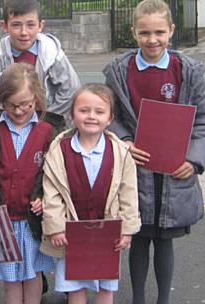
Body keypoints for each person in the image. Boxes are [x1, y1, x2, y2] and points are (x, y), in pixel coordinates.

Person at [103, 0, 205, 304]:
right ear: (133, 32)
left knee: (164, 242)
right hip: (135, 169)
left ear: (171, 31)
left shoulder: (187, 70)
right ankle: (138, 299)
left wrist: (194, 159)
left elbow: (203, 118)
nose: (152, 40)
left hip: (173, 172)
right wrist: (124, 141)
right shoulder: (119, 71)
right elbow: (108, 115)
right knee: (138, 239)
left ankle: (163, 299)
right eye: (144, 33)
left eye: (159, 32)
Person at [41, 83, 141, 304]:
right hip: (71, 232)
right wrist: (56, 227)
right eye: (84, 110)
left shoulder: (121, 153)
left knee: (106, 287)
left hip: (108, 231)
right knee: (75, 287)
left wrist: (127, 229)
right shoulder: (59, 150)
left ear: (110, 118)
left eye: (99, 111)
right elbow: (52, 193)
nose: (91, 116)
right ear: (72, 115)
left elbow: (129, 194)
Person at [0, 63, 64, 304]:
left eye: (25, 104)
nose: (18, 111)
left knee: (33, 275)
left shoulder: (50, 131)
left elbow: (55, 175)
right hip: (4, 223)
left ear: (36, 98)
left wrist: (44, 197)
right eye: (11, 105)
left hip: (32, 222)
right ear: (1, 100)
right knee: (11, 279)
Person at [0, 0, 80, 120]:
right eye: (16, 25)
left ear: (40, 26)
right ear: (4, 26)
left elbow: (70, 90)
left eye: (30, 25)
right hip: (12, 124)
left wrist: (47, 121)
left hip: (49, 121)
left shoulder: (52, 52)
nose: (24, 32)